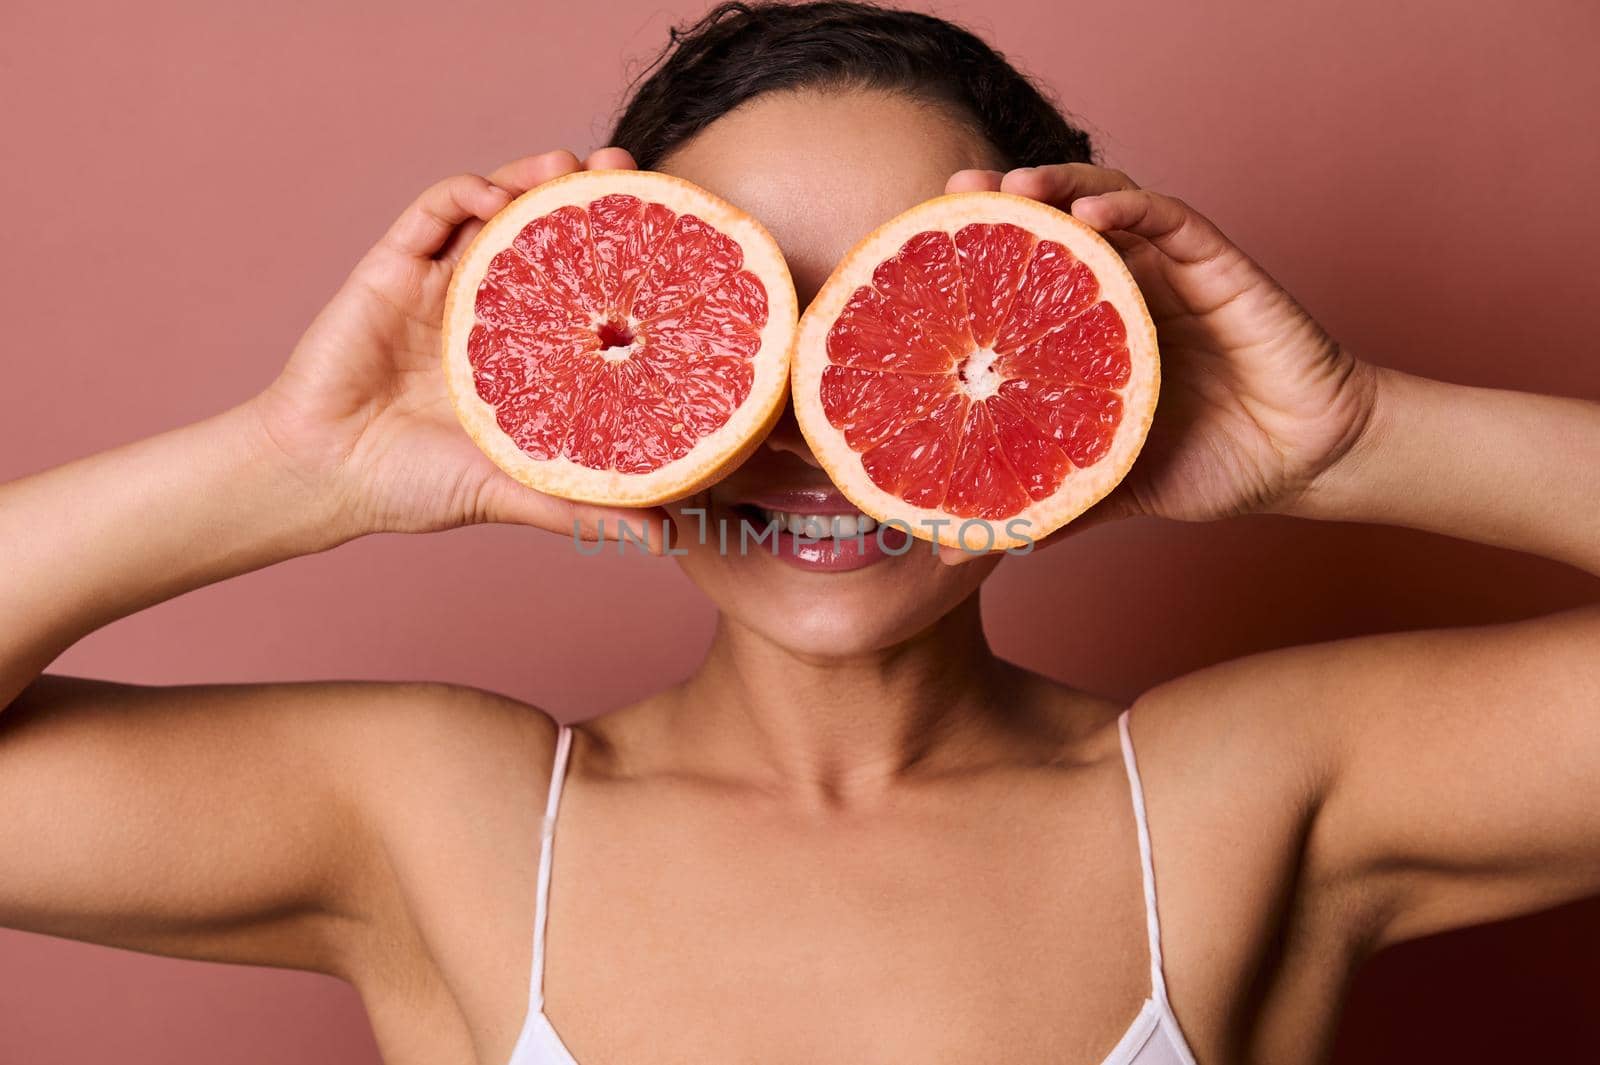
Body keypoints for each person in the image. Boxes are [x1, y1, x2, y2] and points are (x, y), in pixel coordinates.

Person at [2, 3, 1596, 1063]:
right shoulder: (446, 824)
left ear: (1071, 352)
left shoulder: (1239, 801)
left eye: (901, 326)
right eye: (742, 331)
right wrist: (306, 461)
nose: (814, 433)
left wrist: (1354, 435)